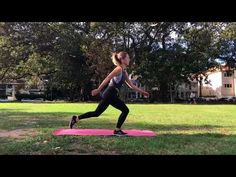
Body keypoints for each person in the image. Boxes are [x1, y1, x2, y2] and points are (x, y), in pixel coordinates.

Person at [69, 51, 150, 136]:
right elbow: (108, 78)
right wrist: (98, 89)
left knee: (96, 113)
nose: (129, 59)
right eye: (128, 57)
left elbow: (131, 86)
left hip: (111, 94)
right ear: (122, 59)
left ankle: (76, 118)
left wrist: (143, 92)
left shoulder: (124, 72)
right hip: (110, 93)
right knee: (125, 110)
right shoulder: (118, 69)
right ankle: (117, 130)